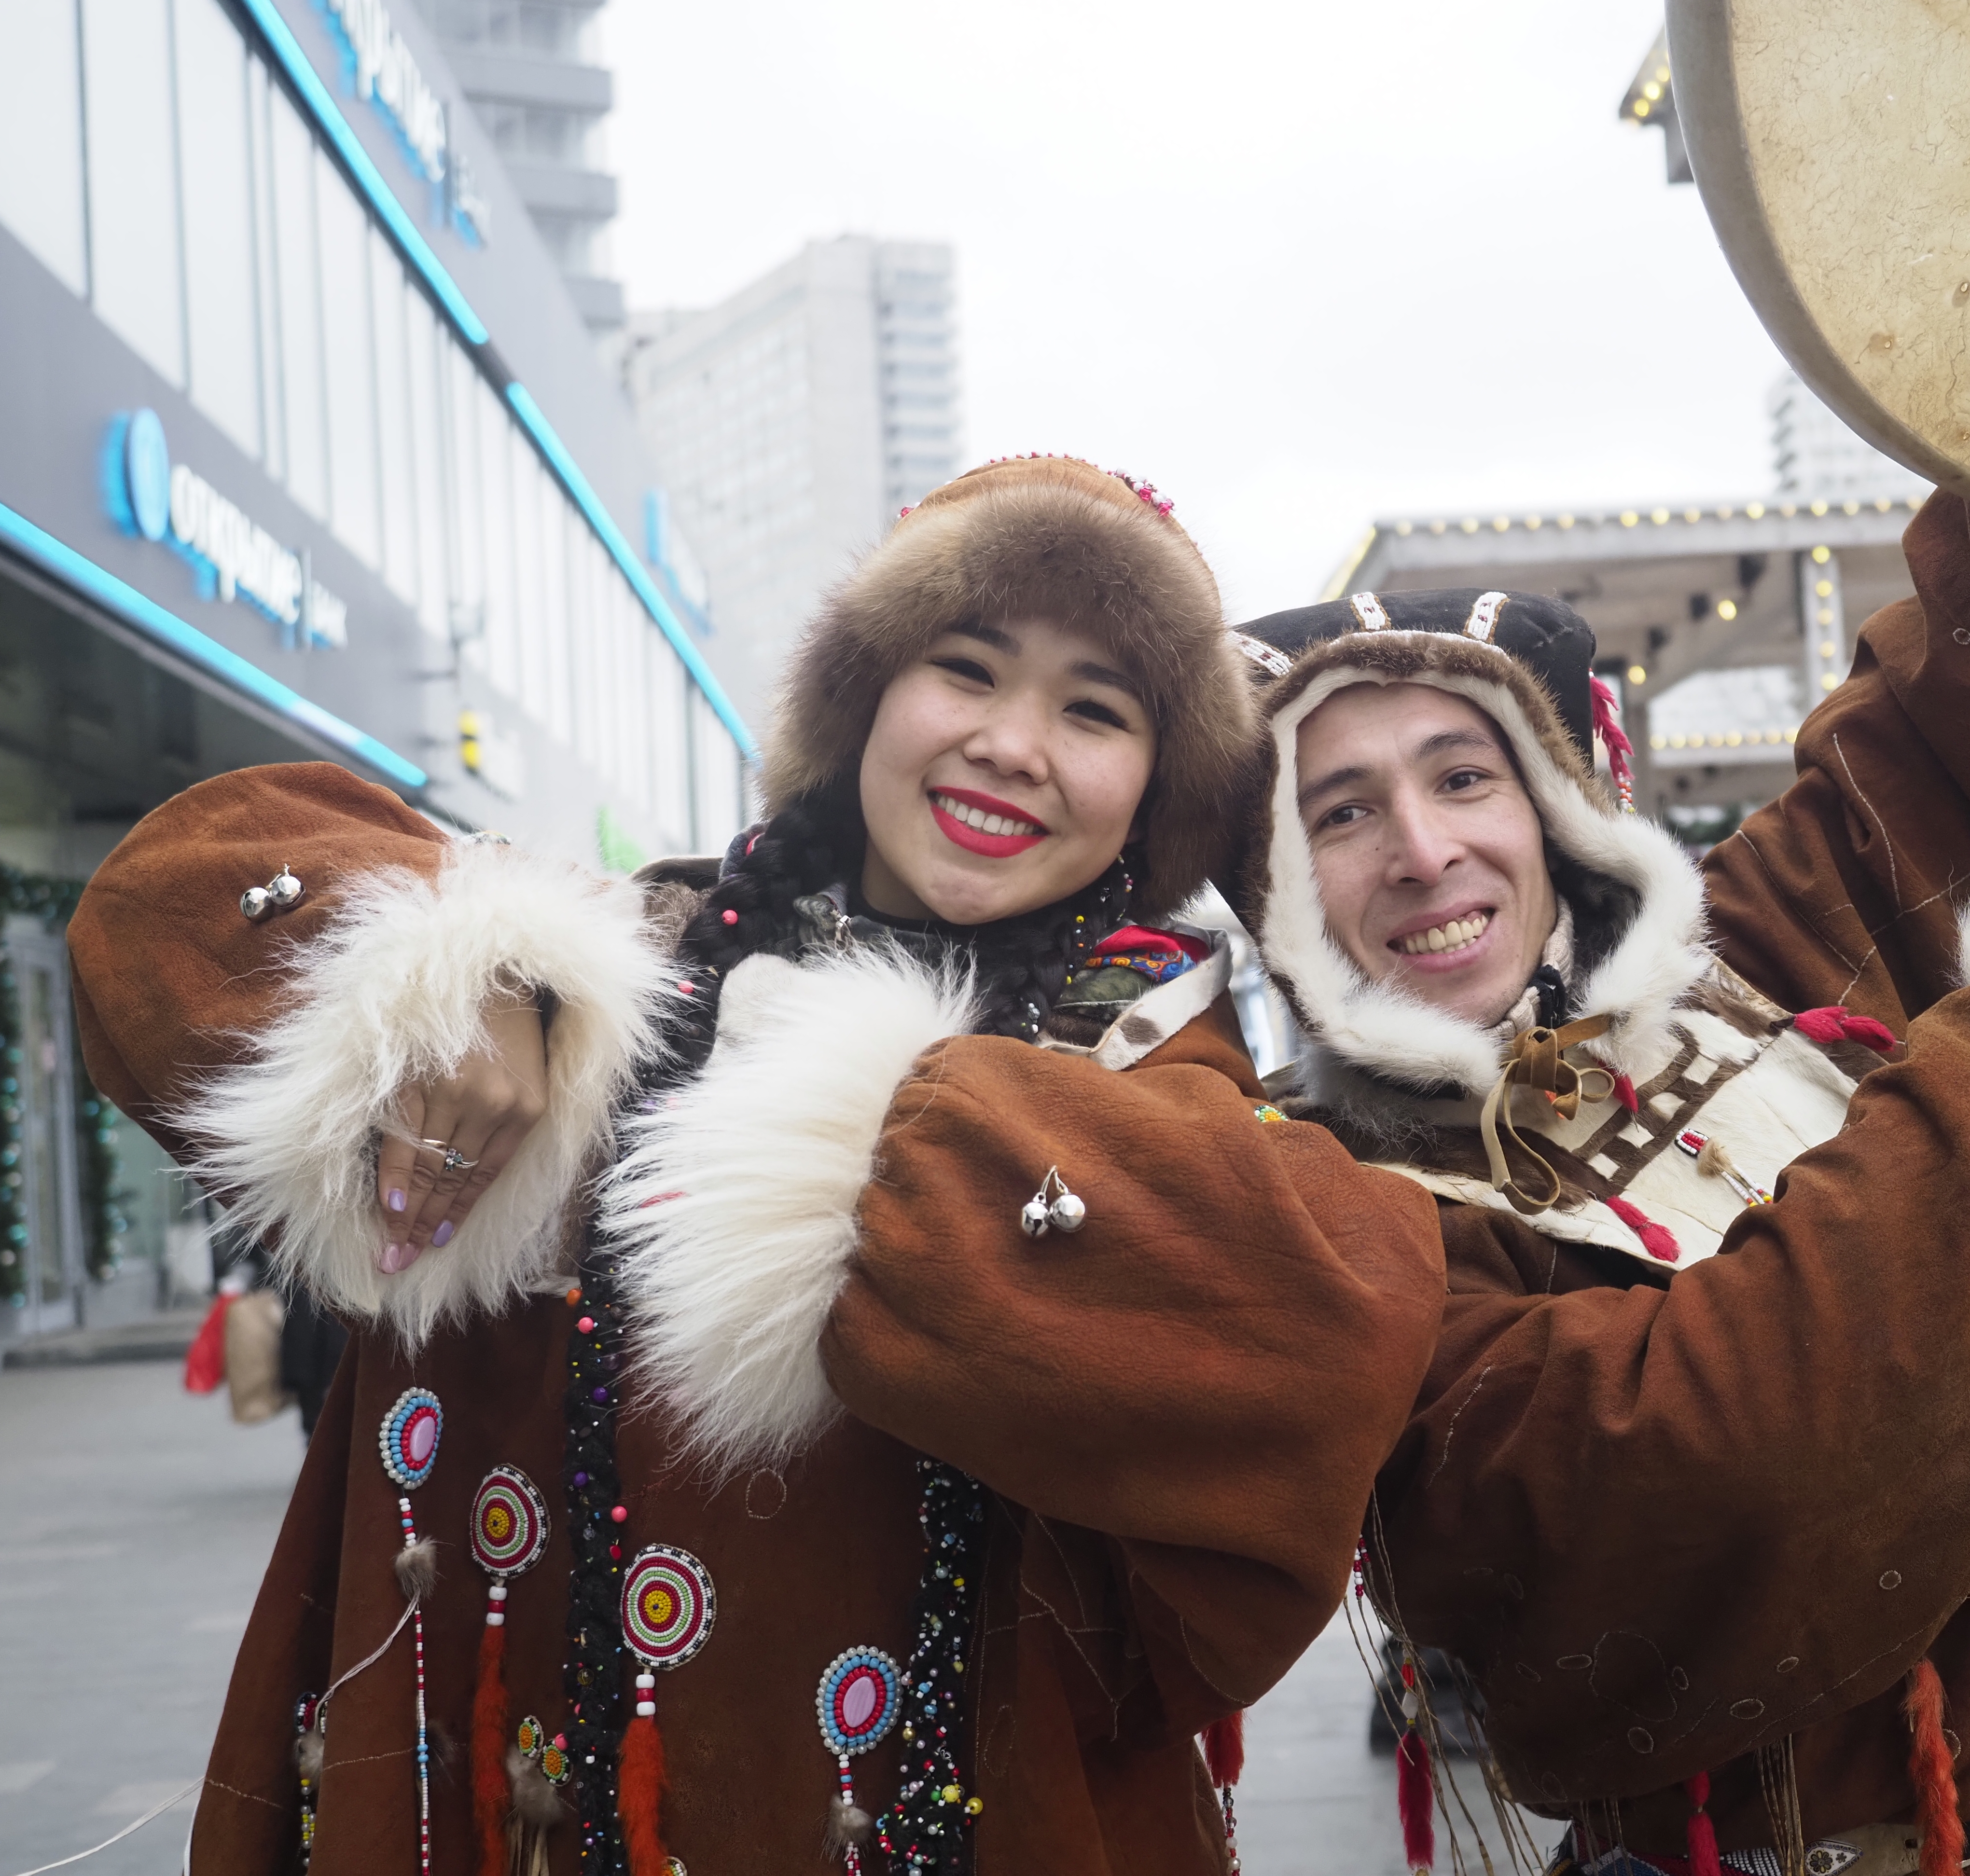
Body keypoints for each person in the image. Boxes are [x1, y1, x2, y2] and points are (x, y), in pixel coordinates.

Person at [65, 455, 1446, 1875]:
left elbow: (1317, 1364)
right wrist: (454, 976)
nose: (1015, 745)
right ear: (860, 705)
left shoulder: (1160, 1072)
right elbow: (152, 918)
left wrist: (866, 1116)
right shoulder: (626, 969)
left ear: (1156, 790)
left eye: (1094, 710)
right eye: (964, 669)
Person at [1222, 472, 1970, 1873]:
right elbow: (1714, 1477)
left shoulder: (1759, 953)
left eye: (1462, 776)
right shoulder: (1327, 1213)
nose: (1427, 852)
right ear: (1279, 886)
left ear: (1558, 809)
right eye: (1341, 813)